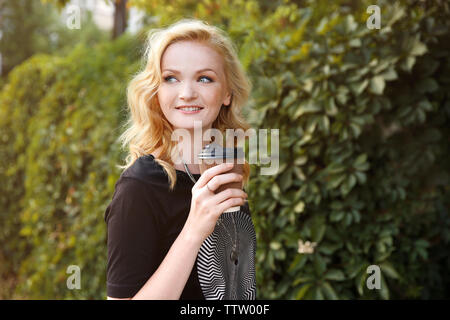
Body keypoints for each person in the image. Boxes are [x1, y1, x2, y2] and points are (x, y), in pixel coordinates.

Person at [104, 19, 257, 300]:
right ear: (157, 92)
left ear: (227, 93)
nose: (187, 93)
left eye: (204, 78)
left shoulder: (224, 172)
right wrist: (194, 230)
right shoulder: (139, 187)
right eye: (171, 78)